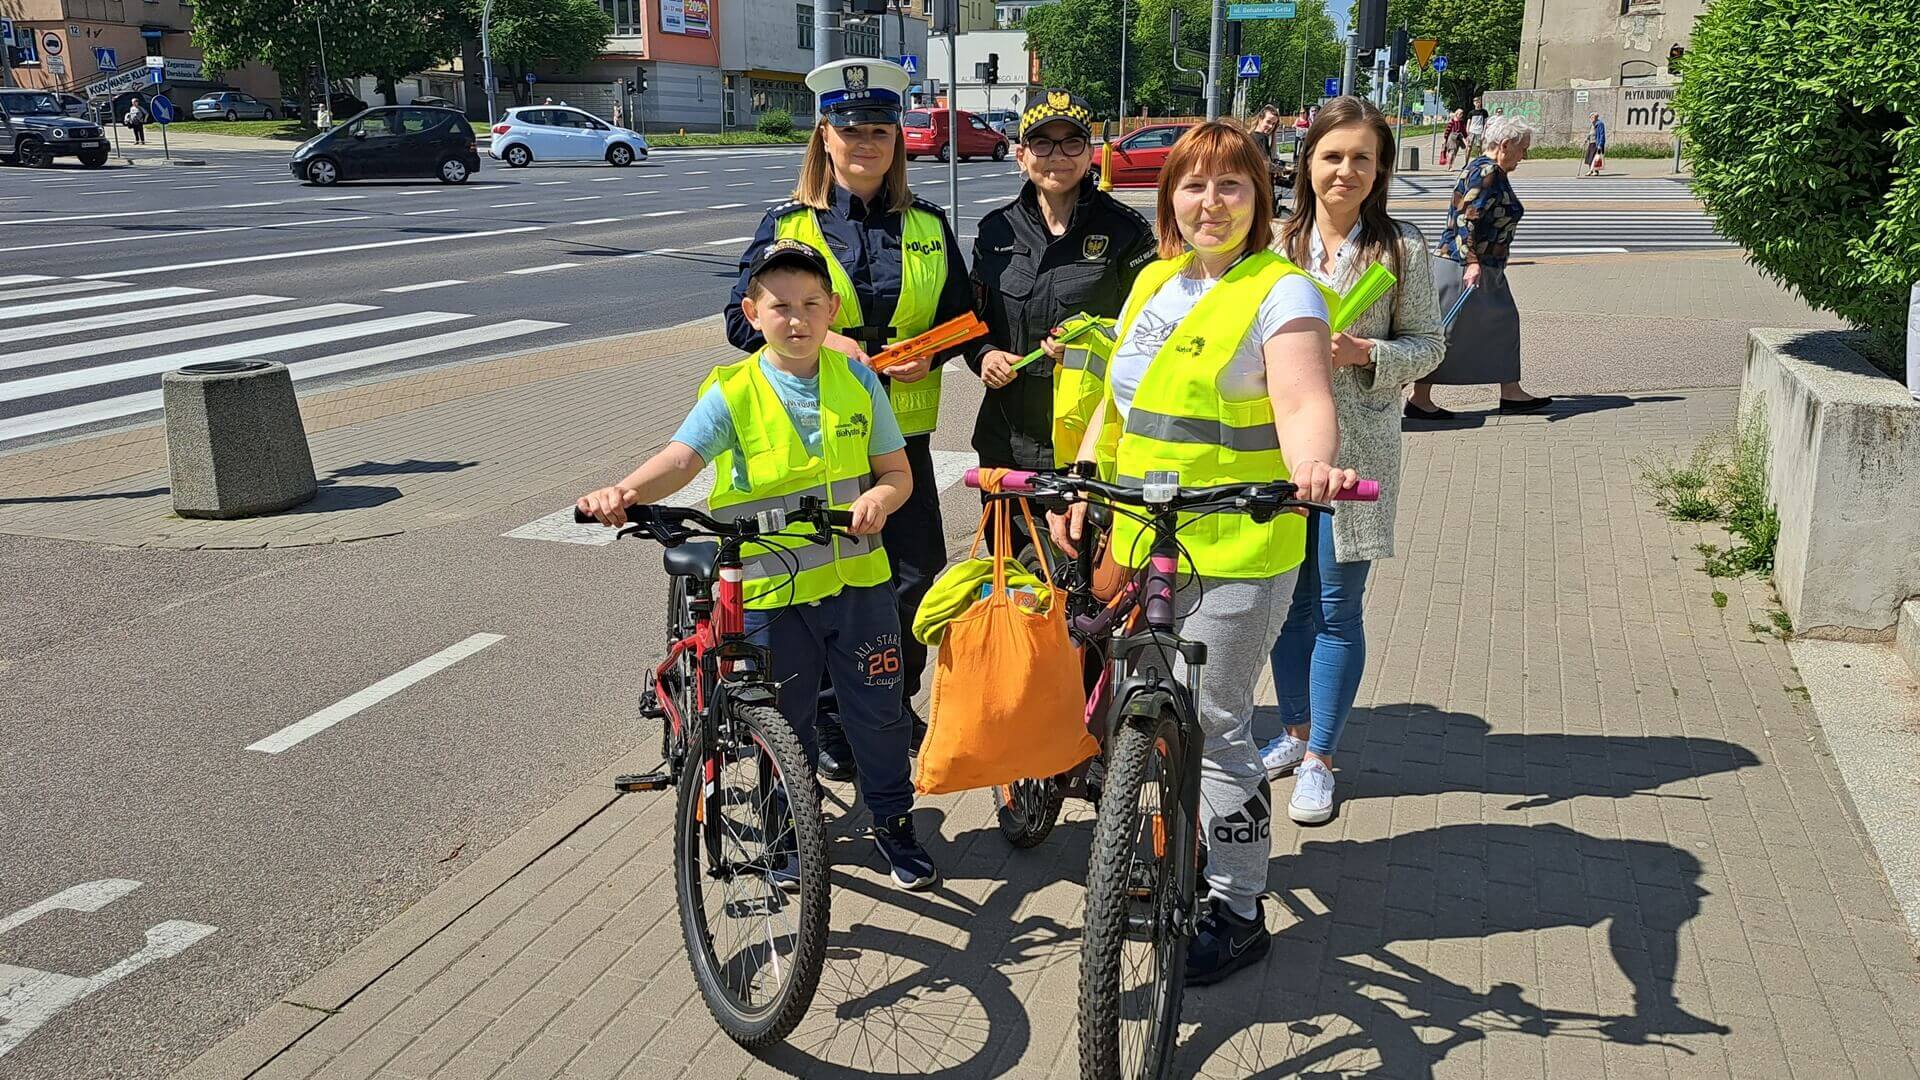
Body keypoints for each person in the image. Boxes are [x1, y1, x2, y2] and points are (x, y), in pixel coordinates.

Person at [1048, 122, 1358, 987]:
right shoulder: (1154, 279)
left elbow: (1303, 399)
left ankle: (1240, 906)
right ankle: (1151, 847)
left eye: (1231, 186)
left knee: (1218, 725)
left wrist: (1313, 468)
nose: (1209, 203)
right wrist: (1083, 482)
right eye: (1193, 186)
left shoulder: (1284, 291)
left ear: (1261, 199)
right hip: (1147, 537)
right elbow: (1121, 406)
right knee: (1144, 707)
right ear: (1168, 198)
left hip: (1239, 544)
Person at [579, 239, 939, 890]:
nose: (796, 318)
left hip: (859, 586)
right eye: (780, 305)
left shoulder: (856, 380)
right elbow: (682, 459)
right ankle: (786, 832)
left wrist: (882, 499)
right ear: (752, 311)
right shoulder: (733, 390)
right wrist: (625, 492)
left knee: (880, 717)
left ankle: (893, 825)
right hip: (771, 593)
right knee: (780, 724)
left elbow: (896, 472)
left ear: (832, 310)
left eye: (810, 303)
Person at [726, 59, 971, 781]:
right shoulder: (788, 224)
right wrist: (826, 338)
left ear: (898, 138)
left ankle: (889, 699)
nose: (865, 141)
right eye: (849, 128)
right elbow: (740, 325)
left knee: (911, 578)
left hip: (903, 445)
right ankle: (830, 714)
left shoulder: (925, 225)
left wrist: (932, 356)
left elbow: (962, 317)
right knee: (825, 581)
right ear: (823, 137)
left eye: (879, 128)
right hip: (813, 445)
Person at [1260, 97, 1445, 825]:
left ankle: (1320, 758)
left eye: (1361, 158)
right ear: (1308, 162)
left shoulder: (1401, 249)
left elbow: (1430, 346)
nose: (1345, 170)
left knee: (1337, 608)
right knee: (1282, 605)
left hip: (1359, 451)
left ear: (1380, 170)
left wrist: (1368, 353)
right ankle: (1293, 730)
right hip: (1276, 450)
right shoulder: (1276, 245)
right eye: (1333, 155)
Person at [969, 89, 1155, 474]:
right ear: (1021, 156)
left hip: (1089, 440)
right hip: (1006, 439)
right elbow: (971, 319)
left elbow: (1150, 333)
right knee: (1008, 538)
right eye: (1042, 143)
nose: (1057, 156)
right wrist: (984, 355)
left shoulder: (1126, 233)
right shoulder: (995, 231)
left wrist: (1090, 346)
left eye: (1072, 143)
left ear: (1090, 154)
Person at [1409, 115, 1549, 418]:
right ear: (1505, 145)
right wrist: (1471, 262)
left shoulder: (1489, 170)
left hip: (1483, 266)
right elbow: (1465, 220)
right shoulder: (1486, 172)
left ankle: (1510, 391)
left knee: (1501, 324)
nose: (1525, 155)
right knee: (1446, 331)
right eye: (1523, 148)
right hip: (1466, 266)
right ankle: (1420, 398)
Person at [1584, 112, 1607, 176]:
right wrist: (1587, 138)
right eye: (1590, 117)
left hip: (1596, 143)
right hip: (1591, 143)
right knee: (1589, 157)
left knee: (1596, 158)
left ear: (1596, 117)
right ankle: (1590, 170)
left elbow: (1602, 134)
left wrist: (1600, 144)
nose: (1591, 118)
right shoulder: (1592, 124)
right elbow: (1590, 133)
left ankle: (1596, 171)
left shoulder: (1600, 124)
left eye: (1593, 117)